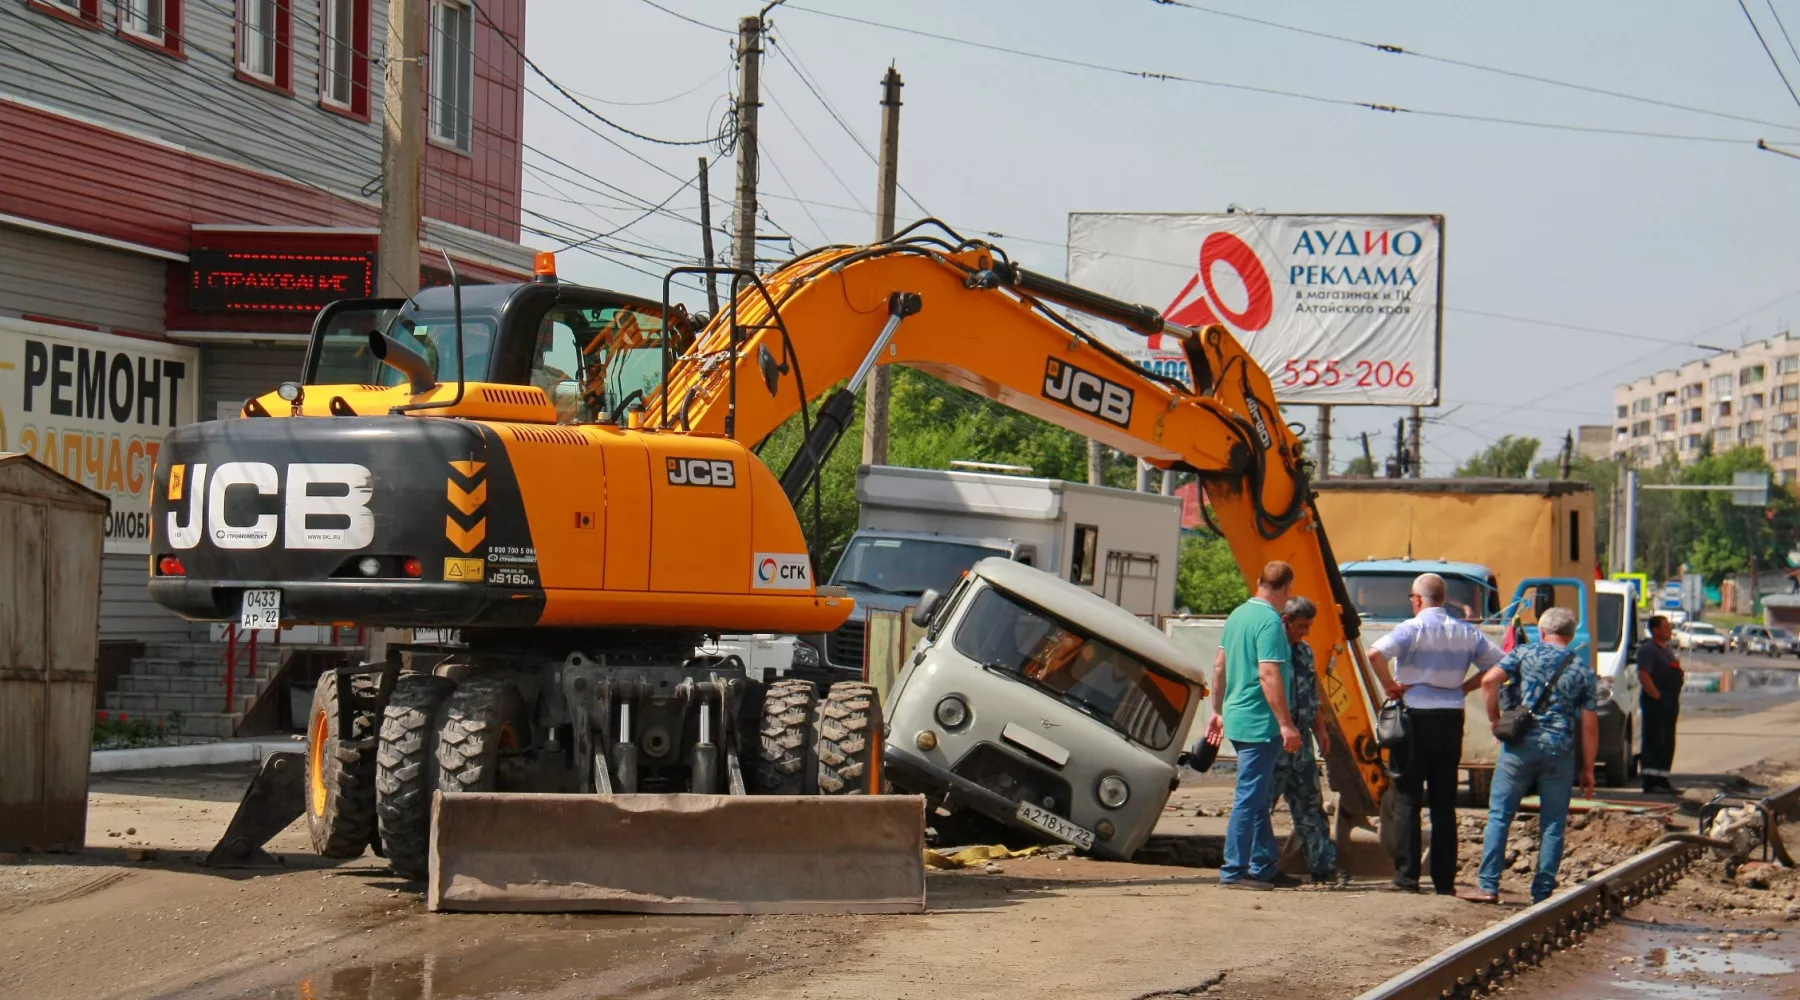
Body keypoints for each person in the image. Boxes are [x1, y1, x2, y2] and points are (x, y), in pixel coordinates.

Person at [1367, 573, 1505, 894]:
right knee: (1444, 803)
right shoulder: (1466, 632)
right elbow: (1501, 665)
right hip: (1450, 718)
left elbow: (1375, 654)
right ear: (1442, 598)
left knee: (1407, 799)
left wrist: (1389, 685)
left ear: (1417, 599)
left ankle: (1407, 877)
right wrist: (1465, 685)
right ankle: (1445, 882)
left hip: (1413, 719)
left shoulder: (1411, 629)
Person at [1464, 606, 1599, 904]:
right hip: (1559, 750)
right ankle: (1542, 893)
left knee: (1500, 815)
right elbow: (1589, 726)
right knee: (1552, 822)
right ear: (1571, 634)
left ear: (1543, 630)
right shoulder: (1583, 671)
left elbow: (1489, 681)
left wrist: (1495, 720)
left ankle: (1488, 886)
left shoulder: (1524, 654)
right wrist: (1587, 769)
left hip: (1519, 747)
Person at [1207, 561, 1301, 890]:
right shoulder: (1270, 622)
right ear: (1287, 588)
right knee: (1249, 796)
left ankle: (1263, 865)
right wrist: (1286, 724)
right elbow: (1269, 674)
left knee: (1259, 796)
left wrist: (1216, 710)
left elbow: (1219, 666)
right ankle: (1234, 870)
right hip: (1260, 723)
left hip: (1236, 716)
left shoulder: (1237, 616)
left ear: (1259, 581)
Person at [1269, 596, 1340, 885]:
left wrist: (1320, 729)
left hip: (1302, 743)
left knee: (1311, 804)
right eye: (1302, 626)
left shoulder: (1305, 652)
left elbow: (1312, 694)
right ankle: (1253, 865)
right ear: (1285, 621)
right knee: (1261, 806)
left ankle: (1323, 866)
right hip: (1274, 741)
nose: (1306, 632)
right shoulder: (1271, 652)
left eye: (1310, 626)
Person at [1637, 614, 1684, 794]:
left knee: (1667, 742)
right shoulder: (1648, 650)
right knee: (1654, 741)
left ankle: (1663, 779)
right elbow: (1644, 675)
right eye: (1666, 627)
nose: (1669, 630)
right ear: (1655, 630)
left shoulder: (1666, 649)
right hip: (1656, 704)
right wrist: (1657, 697)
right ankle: (1651, 782)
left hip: (1669, 703)